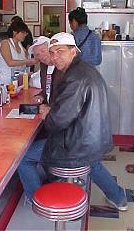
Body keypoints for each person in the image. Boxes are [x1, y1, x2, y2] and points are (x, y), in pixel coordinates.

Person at [18, 32, 128, 211]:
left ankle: (38, 199)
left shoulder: (74, 77)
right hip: (92, 138)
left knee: (23, 158)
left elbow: (57, 122)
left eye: (60, 51)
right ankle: (118, 197)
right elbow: (71, 108)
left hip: (77, 143)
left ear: (73, 51)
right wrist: (54, 110)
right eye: (52, 53)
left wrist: (48, 114)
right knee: (91, 163)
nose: (55, 57)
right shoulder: (83, 69)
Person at [0, 21, 36, 85]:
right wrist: (28, 61)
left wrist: (35, 61)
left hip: (17, 81)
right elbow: (10, 63)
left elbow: (23, 64)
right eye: (23, 32)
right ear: (14, 32)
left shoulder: (20, 45)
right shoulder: (5, 43)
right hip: (5, 82)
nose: (25, 35)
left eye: (25, 33)